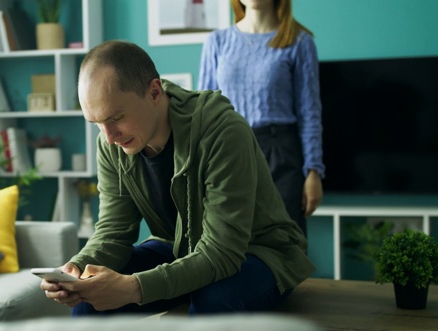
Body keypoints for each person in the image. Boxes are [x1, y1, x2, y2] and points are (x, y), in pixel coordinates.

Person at [39, 40, 315, 316]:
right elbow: (113, 230)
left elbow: (222, 252)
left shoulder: (222, 131)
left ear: (155, 92)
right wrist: (75, 269)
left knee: (213, 303)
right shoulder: (110, 143)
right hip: (179, 248)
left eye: (116, 118)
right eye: (97, 123)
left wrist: (134, 287)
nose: (109, 137)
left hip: (258, 253)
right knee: (88, 300)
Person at [198, 0, 325, 236]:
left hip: (281, 152)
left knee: (286, 240)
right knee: (231, 238)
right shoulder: (217, 42)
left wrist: (313, 172)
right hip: (229, 151)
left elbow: (310, 112)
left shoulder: (299, 42)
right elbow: (204, 112)